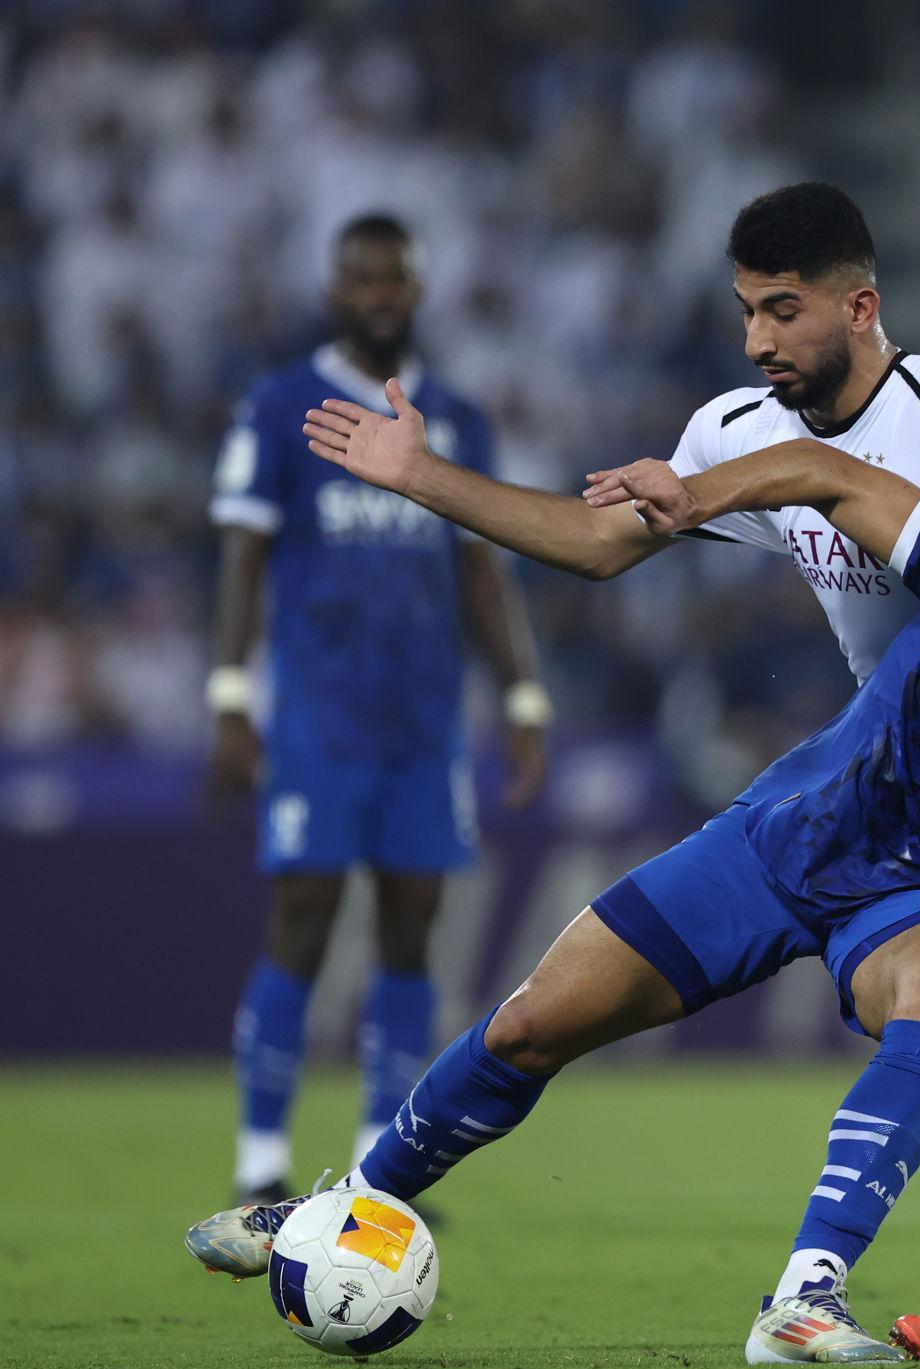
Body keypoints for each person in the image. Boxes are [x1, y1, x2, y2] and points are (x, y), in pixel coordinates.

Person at [284, 183, 920, 1357]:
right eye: (746, 311)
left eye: (781, 312)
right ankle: (342, 1206)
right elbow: (608, 543)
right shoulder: (737, 425)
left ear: (858, 306)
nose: (756, 340)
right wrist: (423, 479)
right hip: (841, 785)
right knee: (542, 1026)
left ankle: (810, 1296)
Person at [205, 214, 550, 1205]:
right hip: (318, 715)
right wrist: (229, 692)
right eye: (361, 279)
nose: (378, 295)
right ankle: (260, 1158)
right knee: (302, 917)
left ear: (416, 289)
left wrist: (522, 694)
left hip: (424, 720)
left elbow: (482, 568)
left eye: (392, 279)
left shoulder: (456, 416)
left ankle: (374, 1162)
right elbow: (243, 554)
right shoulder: (279, 407)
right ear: (335, 287)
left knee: (411, 925)